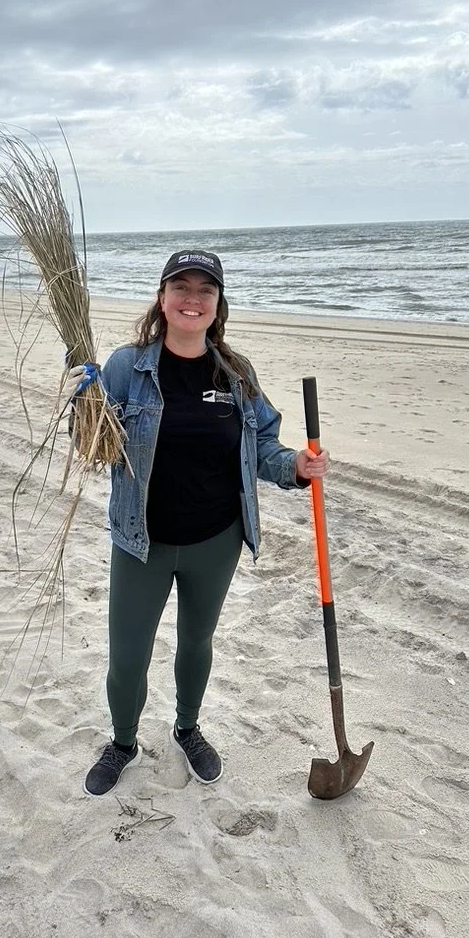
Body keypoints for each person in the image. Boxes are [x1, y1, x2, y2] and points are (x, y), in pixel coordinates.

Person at [69, 249, 329, 796]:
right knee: (127, 657)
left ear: (217, 305)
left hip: (216, 539)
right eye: (180, 287)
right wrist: (83, 405)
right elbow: (94, 448)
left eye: (204, 290)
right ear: (162, 299)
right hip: (142, 542)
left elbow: (261, 445)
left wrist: (297, 467)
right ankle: (122, 742)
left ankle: (187, 729)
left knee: (196, 643)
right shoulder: (124, 366)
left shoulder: (235, 372)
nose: (192, 299)